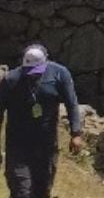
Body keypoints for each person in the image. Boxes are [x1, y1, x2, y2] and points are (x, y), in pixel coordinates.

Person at [0, 44, 83, 198]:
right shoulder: (11, 80)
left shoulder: (60, 74)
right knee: (21, 192)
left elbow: (71, 104)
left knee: (42, 191)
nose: (32, 76)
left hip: (46, 146)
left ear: (46, 62)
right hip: (18, 146)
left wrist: (76, 133)